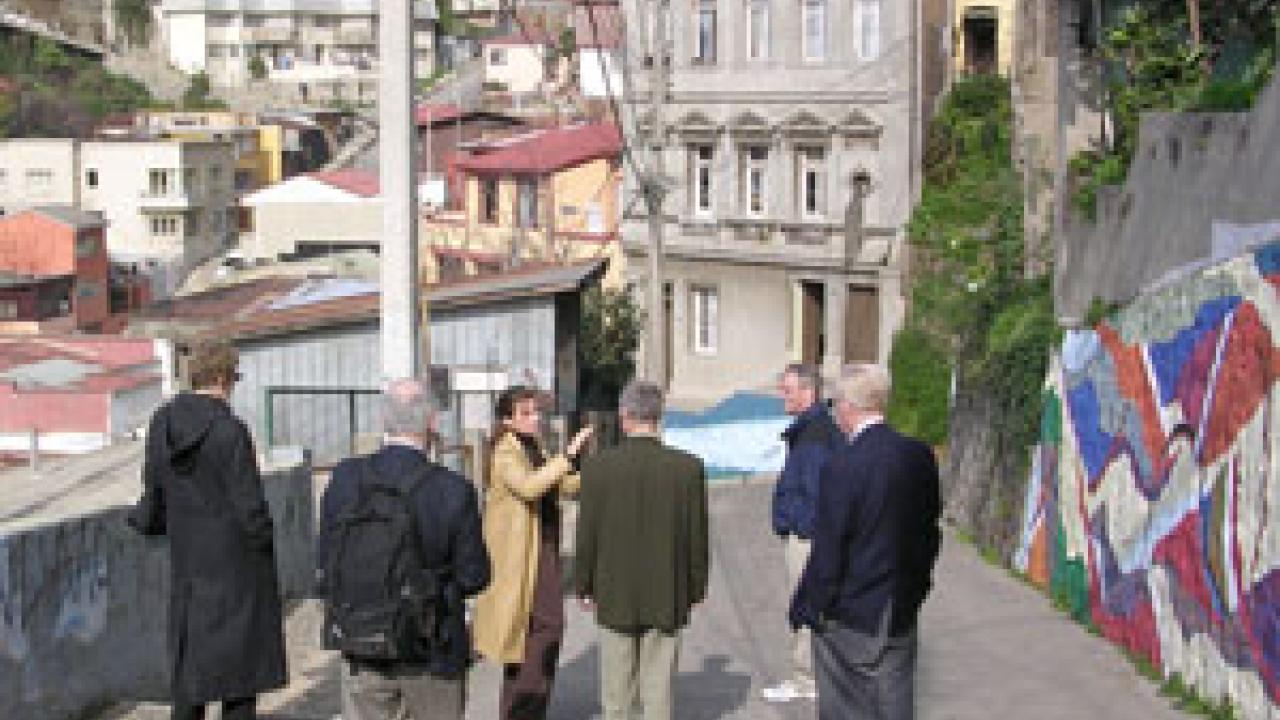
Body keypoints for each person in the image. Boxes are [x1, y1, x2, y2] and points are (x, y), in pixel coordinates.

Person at [128, 341, 287, 720]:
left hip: (188, 562)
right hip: (236, 568)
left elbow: (153, 490)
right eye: (234, 378)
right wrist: (265, 542)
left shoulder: (162, 423)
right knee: (240, 678)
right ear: (221, 378)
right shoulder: (230, 431)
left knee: (190, 674)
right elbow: (250, 506)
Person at [318, 378, 490, 720]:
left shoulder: (345, 478)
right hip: (431, 647)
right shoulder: (453, 490)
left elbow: (325, 559)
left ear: (384, 421)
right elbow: (474, 577)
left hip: (361, 639)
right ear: (432, 422)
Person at [789, 364, 942, 720]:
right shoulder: (918, 456)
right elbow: (929, 534)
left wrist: (809, 606)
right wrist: (918, 588)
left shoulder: (843, 465)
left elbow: (830, 549)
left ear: (846, 405)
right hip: (900, 604)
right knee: (895, 702)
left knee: (845, 705)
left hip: (852, 611)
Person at [574, 381, 710, 720]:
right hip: (667, 591)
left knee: (617, 694)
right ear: (659, 416)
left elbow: (587, 533)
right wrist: (695, 587)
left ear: (624, 417)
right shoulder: (687, 468)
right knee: (658, 691)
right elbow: (696, 537)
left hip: (614, 592)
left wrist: (583, 583)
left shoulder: (598, 468)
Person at [472, 386, 594, 720]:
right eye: (525, 412)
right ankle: (522, 711)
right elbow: (530, 487)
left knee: (535, 635)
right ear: (508, 419)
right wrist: (567, 455)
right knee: (542, 631)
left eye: (536, 411)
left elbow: (560, 484)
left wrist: (595, 472)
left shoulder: (534, 446)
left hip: (544, 548)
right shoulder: (504, 452)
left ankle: (524, 710)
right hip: (522, 555)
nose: (535, 418)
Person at [763, 363, 842, 703]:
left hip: (807, 538)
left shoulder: (814, 436)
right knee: (814, 604)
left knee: (804, 604)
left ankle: (805, 680)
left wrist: (793, 525)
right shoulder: (815, 428)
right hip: (810, 534)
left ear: (808, 393)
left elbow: (814, 492)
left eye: (788, 390)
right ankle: (813, 676)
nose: (783, 395)